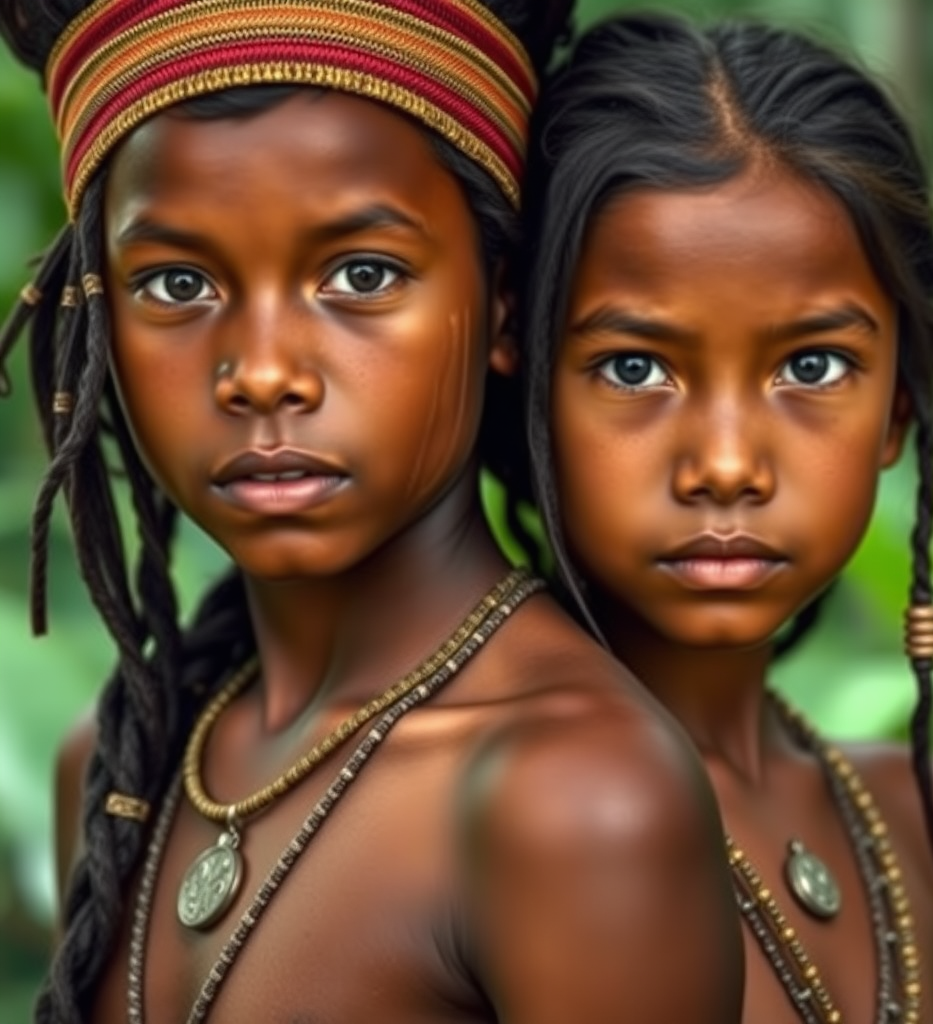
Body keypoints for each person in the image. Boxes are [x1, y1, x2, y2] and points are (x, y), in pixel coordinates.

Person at [0, 3, 745, 1023]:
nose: (261, 373)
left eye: (359, 274)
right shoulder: (121, 765)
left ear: (500, 306)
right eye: (177, 283)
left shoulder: (571, 800)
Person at [515, 12, 933, 1024]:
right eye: (633, 368)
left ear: (899, 410)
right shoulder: (477, 815)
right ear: (519, 377)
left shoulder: (922, 830)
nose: (728, 466)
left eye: (811, 367)